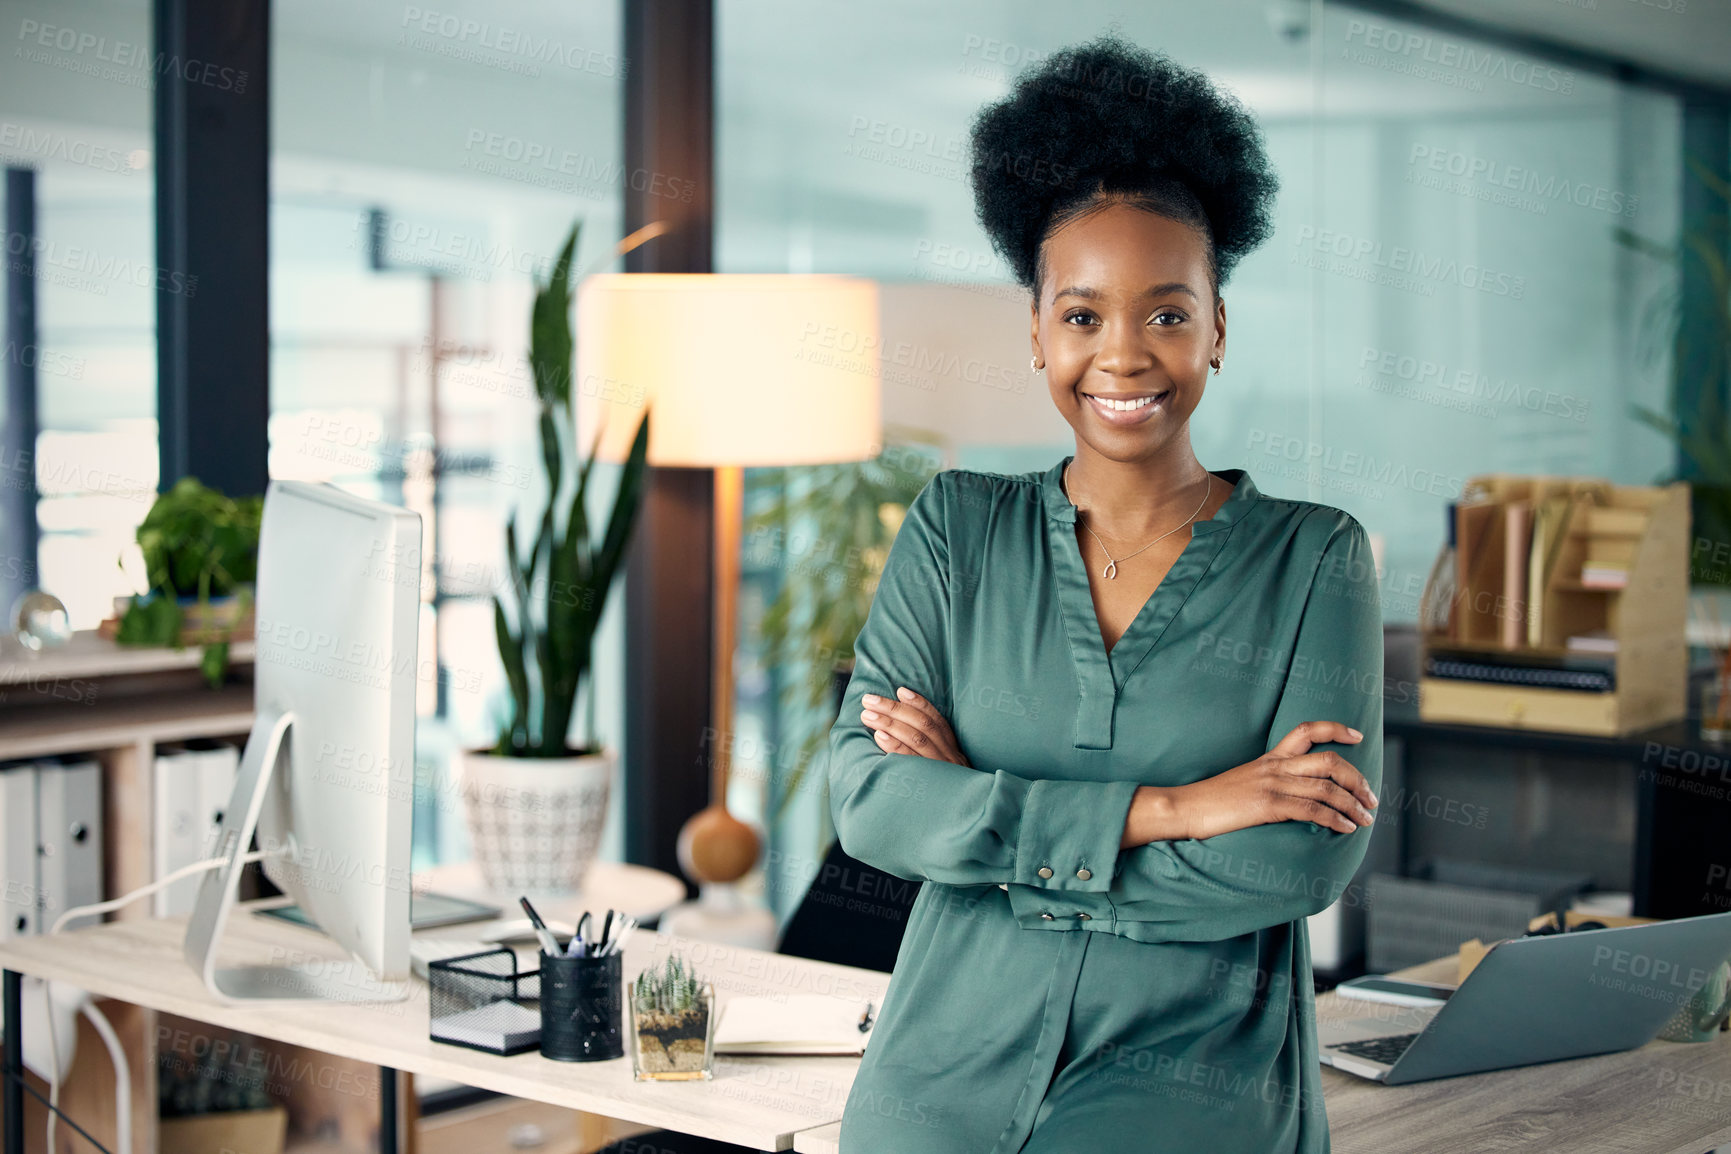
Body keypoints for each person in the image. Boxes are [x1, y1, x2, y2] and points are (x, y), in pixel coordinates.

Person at [825, 34, 1383, 1154]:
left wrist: (982, 822)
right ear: (1036, 332)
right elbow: (869, 802)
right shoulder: (955, 529)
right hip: (935, 1077)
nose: (1122, 355)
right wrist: (1177, 806)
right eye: (1082, 314)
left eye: (1166, 313)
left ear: (1217, 328)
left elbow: (1298, 858)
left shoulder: (1317, 560)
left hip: (1186, 1088)